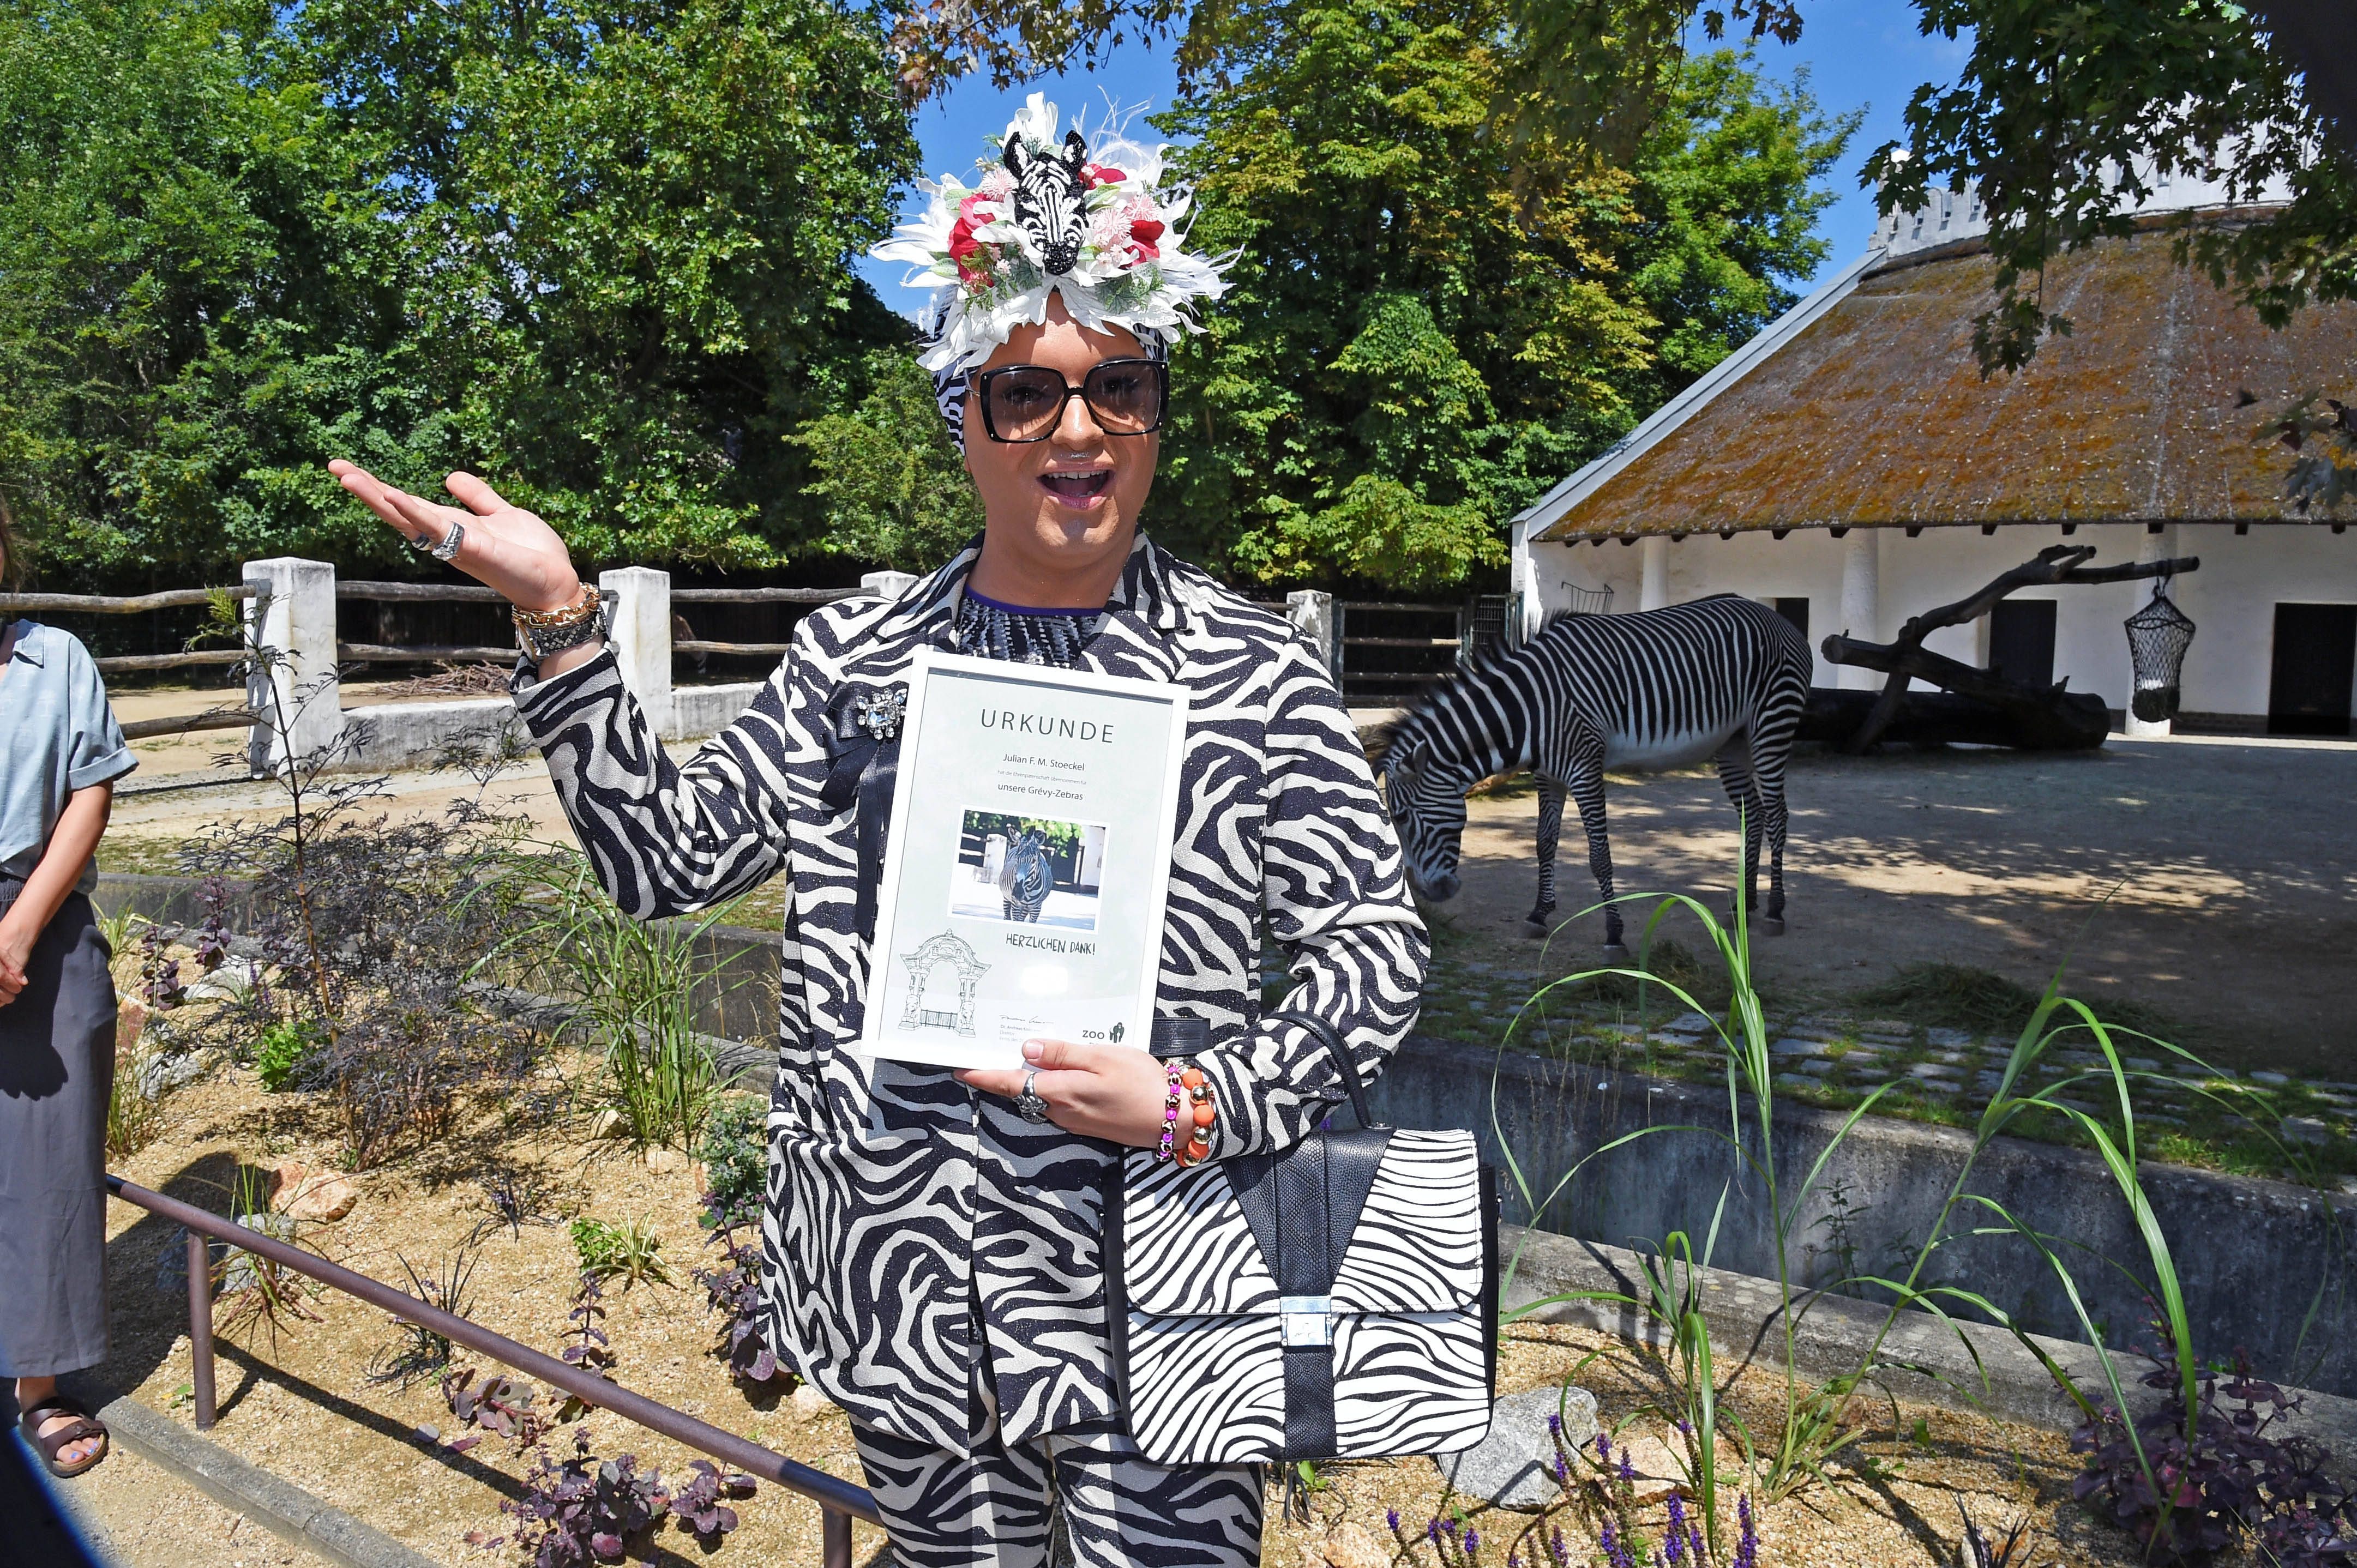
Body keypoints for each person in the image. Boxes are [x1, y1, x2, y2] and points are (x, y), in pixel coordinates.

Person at [328, 95, 1427, 1566]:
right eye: (1026, 394)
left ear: (1159, 410)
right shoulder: (859, 657)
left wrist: (1197, 1099)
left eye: (1120, 386)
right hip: (915, 1275)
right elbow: (665, 861)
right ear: (960, 420)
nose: (1078, 428)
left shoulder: (1255, 672)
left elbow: (1375, 958)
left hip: (1165, 1276)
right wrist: (561, 624)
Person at [0, 506, 136, 1479]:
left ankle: (39, 1382)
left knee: (51, 1156)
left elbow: (91, 786)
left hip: (40, 918)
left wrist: (18, 926)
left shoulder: (56, 658)